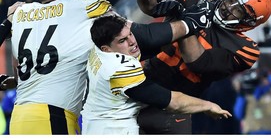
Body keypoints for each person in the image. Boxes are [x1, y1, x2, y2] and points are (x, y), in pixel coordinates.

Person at [6, 0, 212, 135]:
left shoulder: (21, 13)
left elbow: (24, 69)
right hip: (53, 116)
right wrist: (190, 24)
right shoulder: (86, 5)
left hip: (19, 115)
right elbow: (140, 34)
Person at [89, 0, 271, 134]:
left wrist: (186, 20)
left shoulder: (246, 49)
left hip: (174, 103)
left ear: (249, 22)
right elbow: (153, 6)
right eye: (232, 0)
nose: (228, 8)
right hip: (141, 77)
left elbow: (197, 61)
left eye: (239, 10)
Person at [81, 15, 232, 135]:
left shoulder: (97, 48)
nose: (132, 42)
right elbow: (174, 102)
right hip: (114, 130)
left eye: (130, 34)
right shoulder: (119, 68)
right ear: (107, 49)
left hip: (94, 125)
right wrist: (208, 106)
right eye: (122, 40)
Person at [233, 67, 271, 134]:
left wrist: (269, 77)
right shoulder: (245, 94)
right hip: (252, 131)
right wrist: (241, 94)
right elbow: (238, 114)